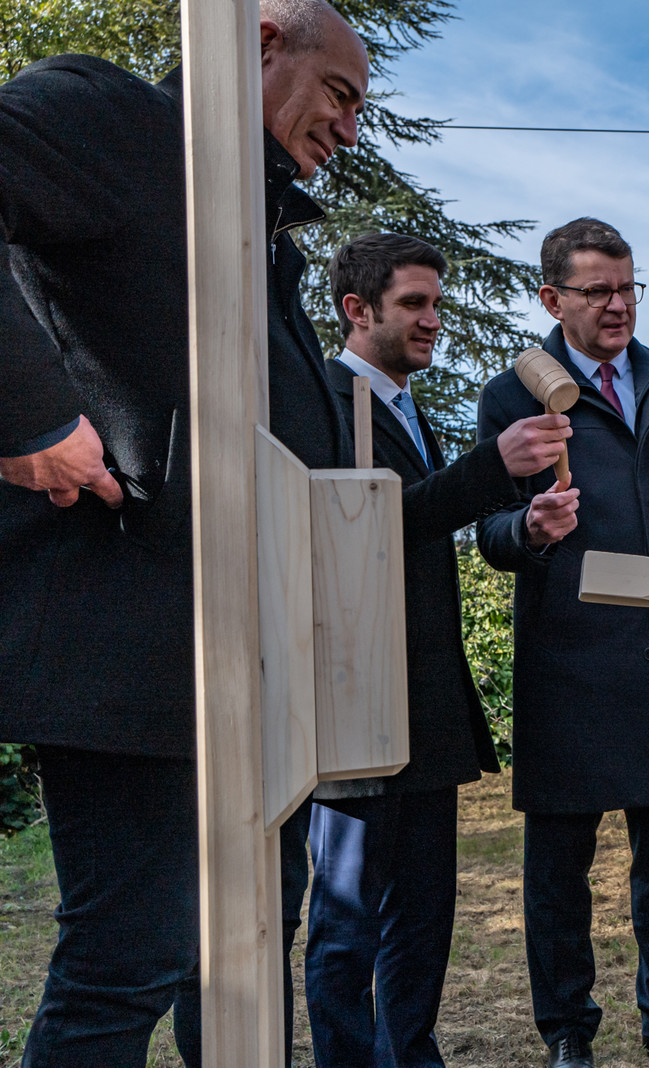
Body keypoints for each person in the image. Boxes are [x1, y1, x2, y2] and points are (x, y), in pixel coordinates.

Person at [0, 1, 366, 1062]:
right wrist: (29, 420)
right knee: (130, 958)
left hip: (251, 671)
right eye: (338, 94)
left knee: (240, 953)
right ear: (257, 40)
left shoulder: (257, 228)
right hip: (130, 648)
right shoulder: (113, 118)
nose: (347, 131)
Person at [475, 217, 649, 1068]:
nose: (617, 305)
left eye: (628, 287)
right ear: (551, 298)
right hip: (570, 667)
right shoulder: (512, 396)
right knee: (559, 877)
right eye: (596, 290)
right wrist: (528, 525)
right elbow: (485, 531)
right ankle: (568, 1031)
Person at [305, 233, 571, 1067]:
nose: (433, 321)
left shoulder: (405, 407)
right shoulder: (320, 397)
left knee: (422, 915)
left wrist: (522, 519)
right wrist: (489, 467)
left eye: (438, 304)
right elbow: (356, 527)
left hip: (424, 704)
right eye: (414, 304)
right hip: (353, 701)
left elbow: (417, 530)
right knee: (347, 923)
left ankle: (411, 1055)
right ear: (358, 310)